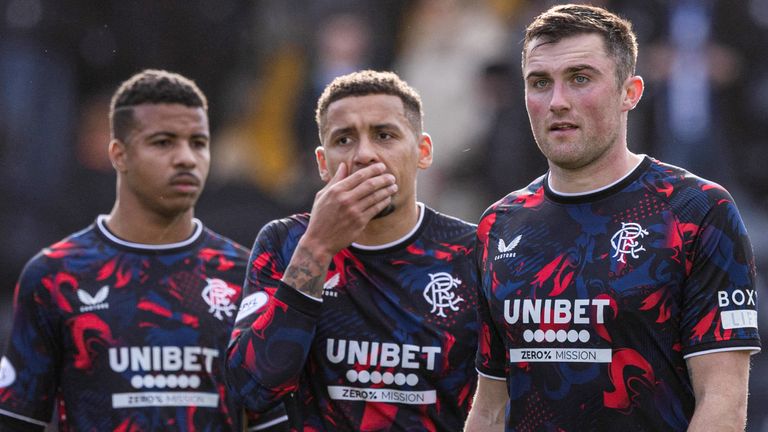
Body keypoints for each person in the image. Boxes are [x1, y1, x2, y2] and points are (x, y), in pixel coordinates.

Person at [465, 4, 760, 432]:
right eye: (540, 82)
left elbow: (723, 404)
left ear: (631, 92)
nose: (557, 101)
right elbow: (490, 408)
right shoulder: (500, 224)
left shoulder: (696, 211)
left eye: (580, 79)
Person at [0, 69, 287, 431]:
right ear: (118, 154)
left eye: (198, 142)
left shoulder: (245, 274)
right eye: (163, 142)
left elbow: (272, 422)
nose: (186, 158)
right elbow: (16, 421)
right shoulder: (55, 275)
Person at [225, 70, 479, 430]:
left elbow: (502, 400)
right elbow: (252, 390)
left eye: (384, 135)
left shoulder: (470, 252)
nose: (363, 154)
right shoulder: (286, 243)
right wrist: (317, 246)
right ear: (322, 163)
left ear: (423, 151)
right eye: (344, 140)